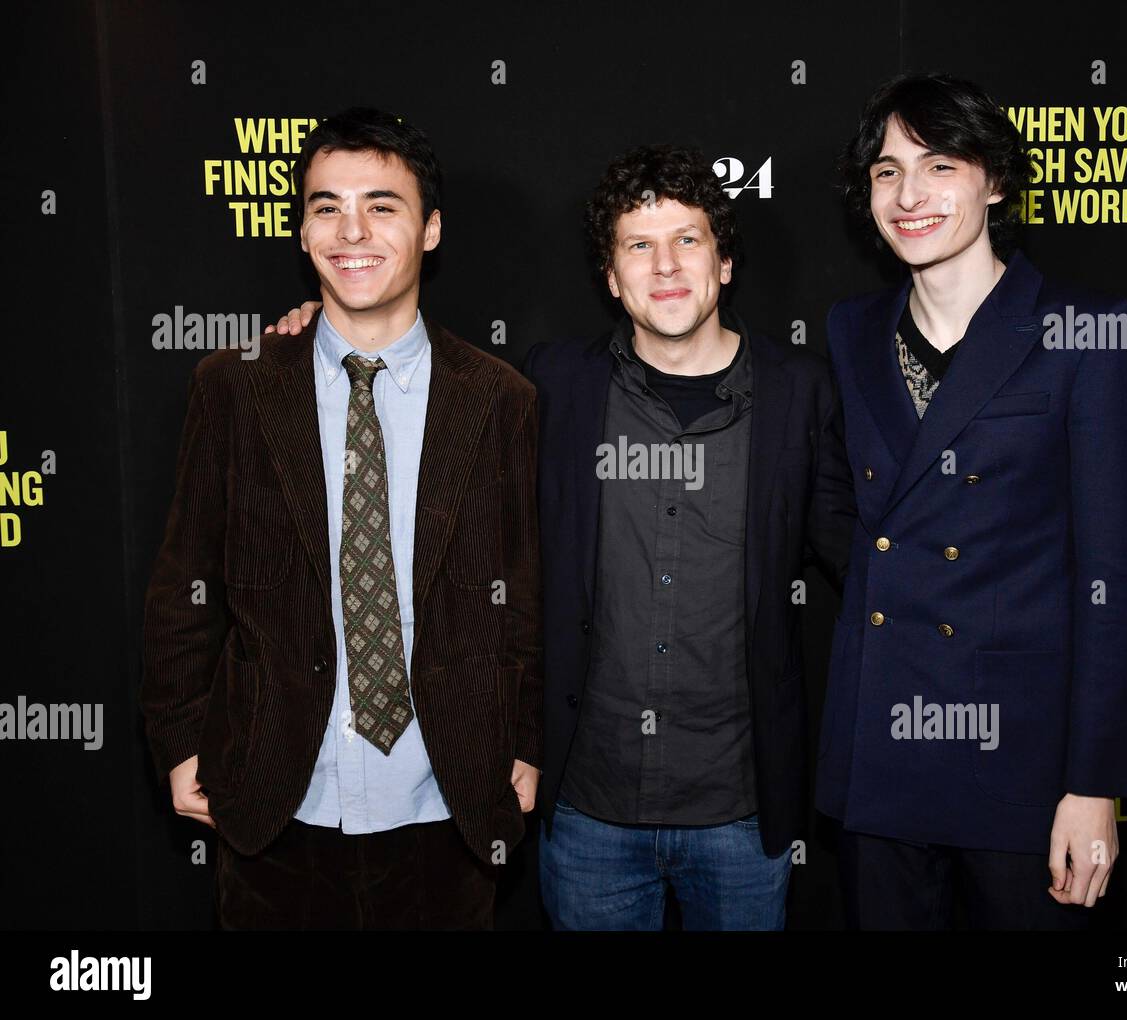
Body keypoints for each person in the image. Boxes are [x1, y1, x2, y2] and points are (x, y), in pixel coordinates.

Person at [270, 143, 857, 930]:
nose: (667, 266)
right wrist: (318, 330)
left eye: (688, 240)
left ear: (724, 265)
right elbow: (416, 371)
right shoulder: (549, 386)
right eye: (638, 246)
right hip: (587, 812)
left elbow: (864, 554)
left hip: (744, 812)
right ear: (611, 279)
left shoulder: (802, 392)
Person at [140, 107, 542, 930]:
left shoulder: (501, 397)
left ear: (430, 229)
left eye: (382, 206)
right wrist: (180, 743)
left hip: (447, 810)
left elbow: (526, 595)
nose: (351, 229)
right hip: (273, 809)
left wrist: (527, 740)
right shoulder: (235, 386)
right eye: (326, 206)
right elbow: (185, 584)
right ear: (301, 231)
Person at [819, 72, 1127, 929]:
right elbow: (844, 511)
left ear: (995, 181)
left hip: (1020, 765)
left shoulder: (1085, 331)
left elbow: (1113, 580)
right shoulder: (851, 331)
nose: (910, 195)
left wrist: (1094, 784)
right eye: (887, 172)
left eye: (939, 165)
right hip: (881, 749)